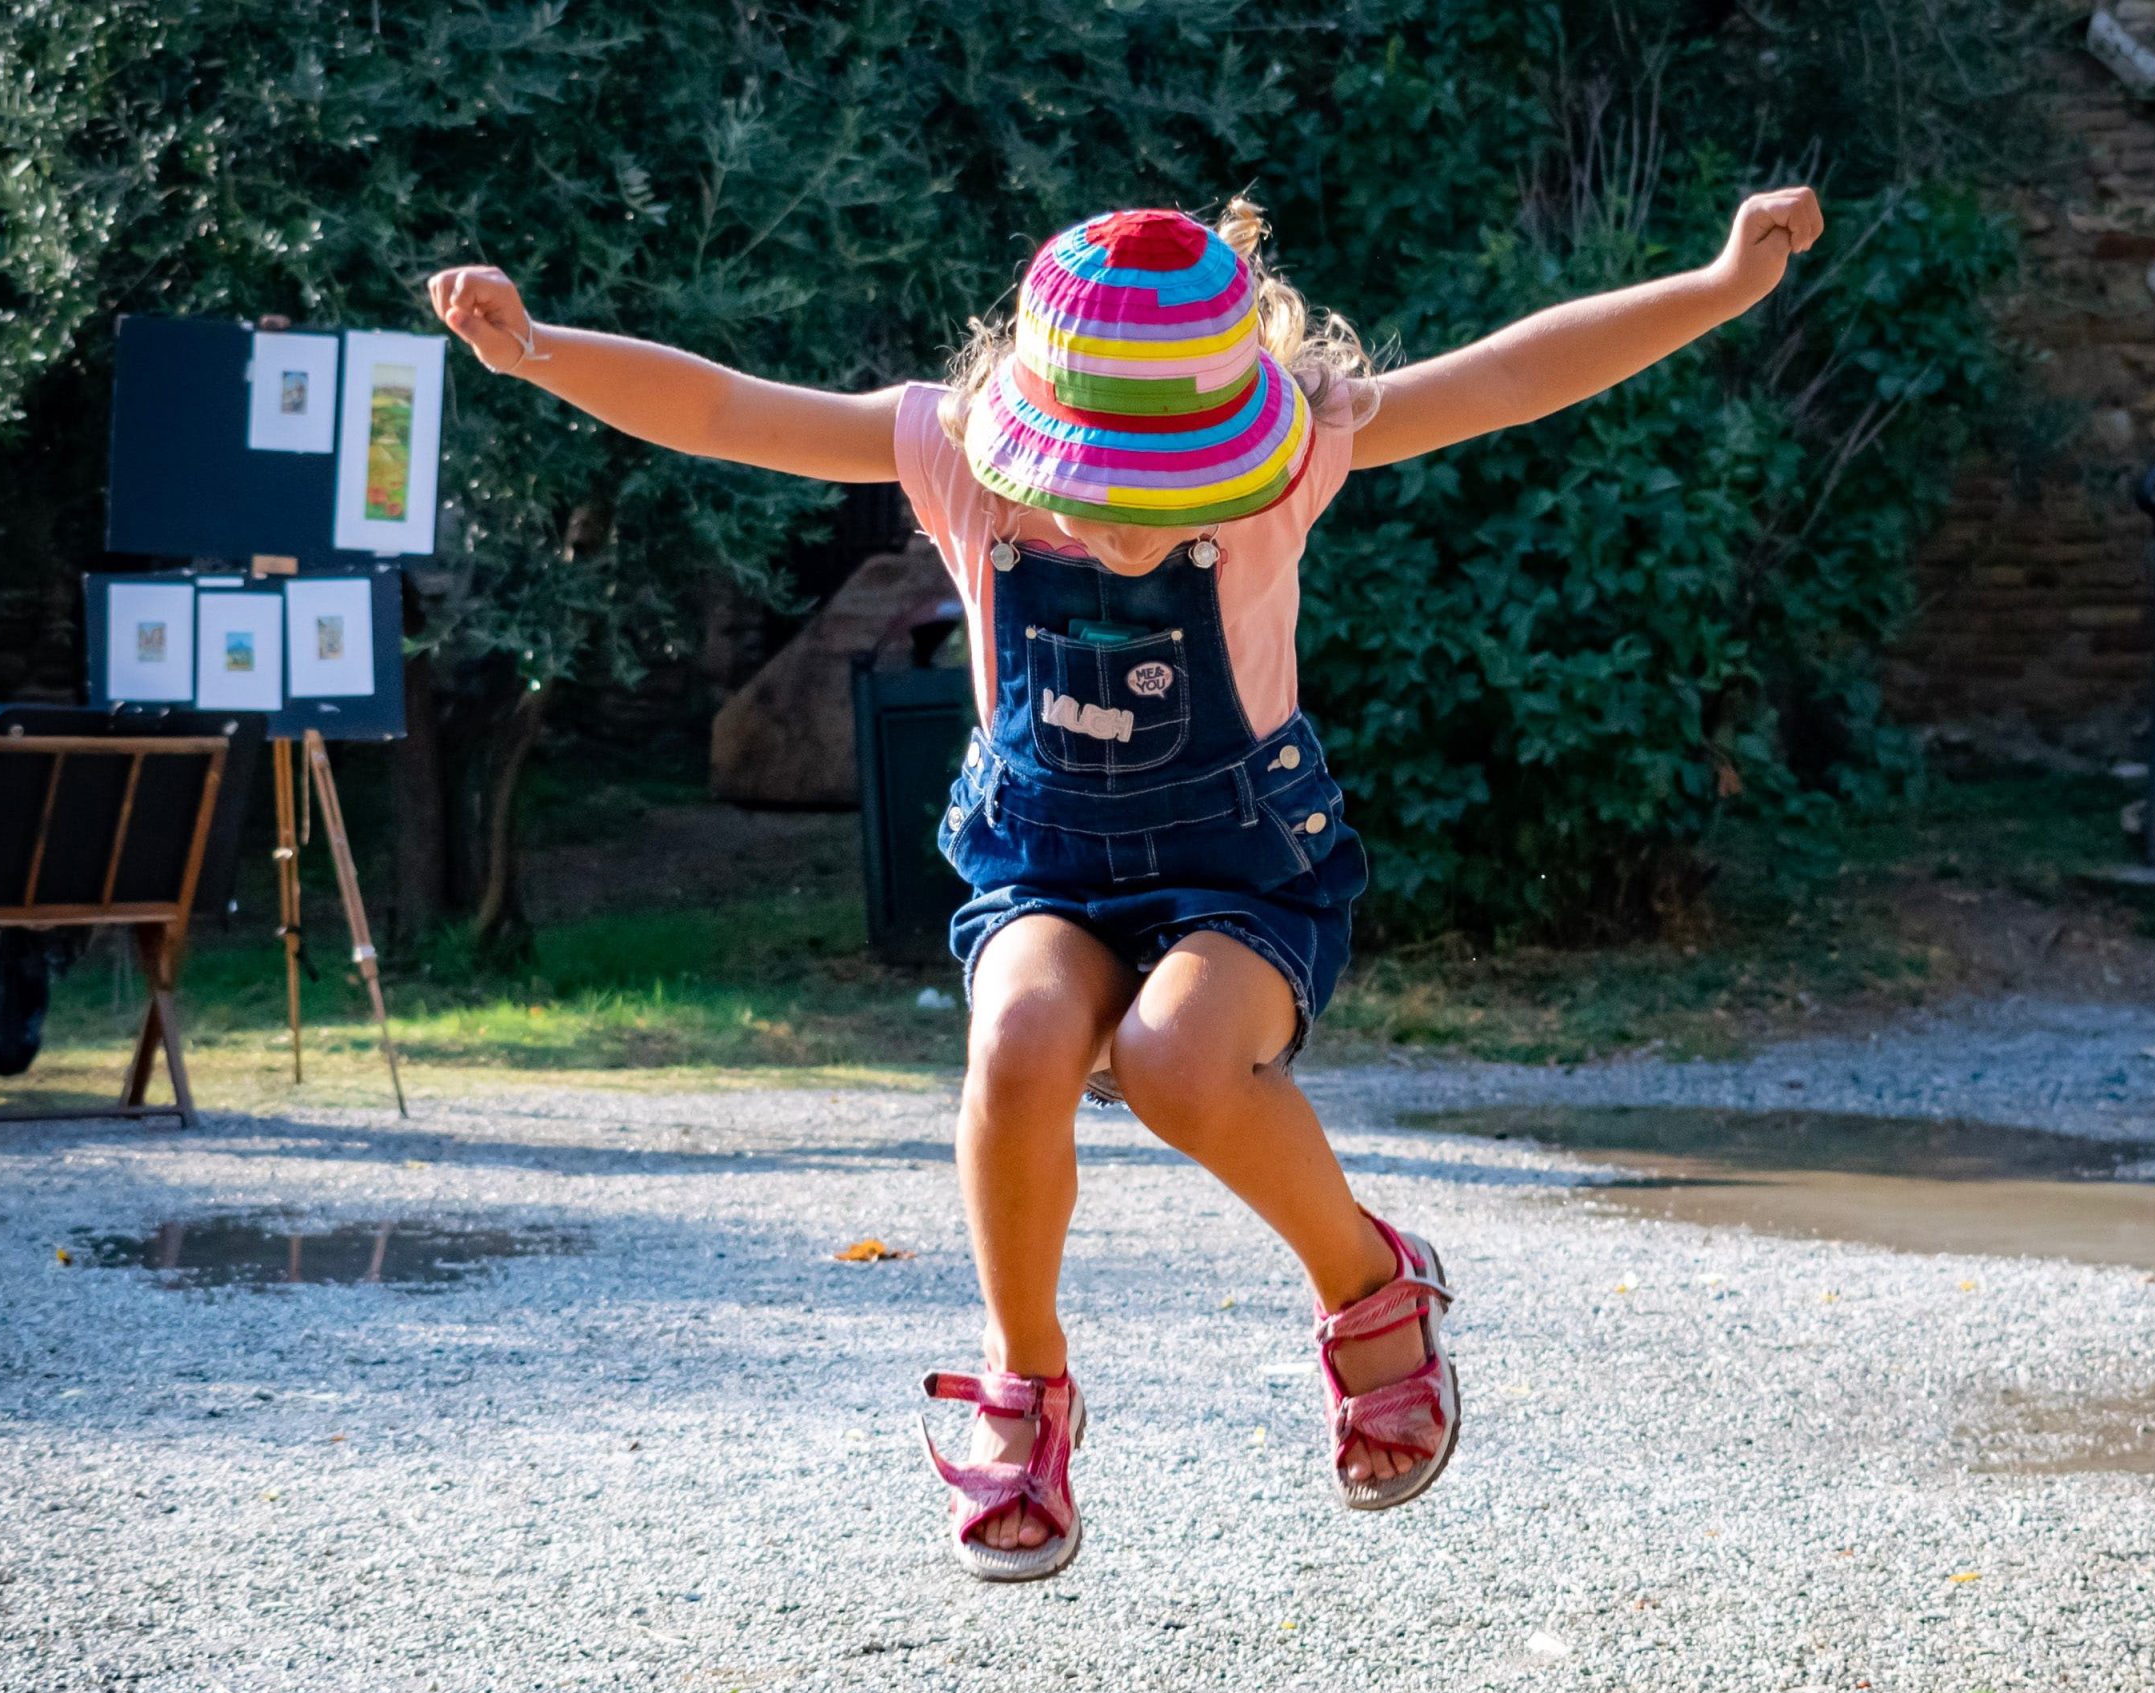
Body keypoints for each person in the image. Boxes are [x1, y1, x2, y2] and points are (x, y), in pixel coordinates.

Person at [428, 183, 1822, 1582]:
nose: (1131, 529)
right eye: (1101, 492)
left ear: (1242, 448)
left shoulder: (1305, 444)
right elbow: (732, 411)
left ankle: (1367, 1281)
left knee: (1174, 1061)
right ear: (1035, 438)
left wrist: (1713, 287)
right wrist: (540, 347)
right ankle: (1025, 1380)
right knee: (1021, 1040)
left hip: (1244, 867)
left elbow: (1515, 374)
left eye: (1178, 493)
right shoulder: (948, 453)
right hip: (1044, 862)